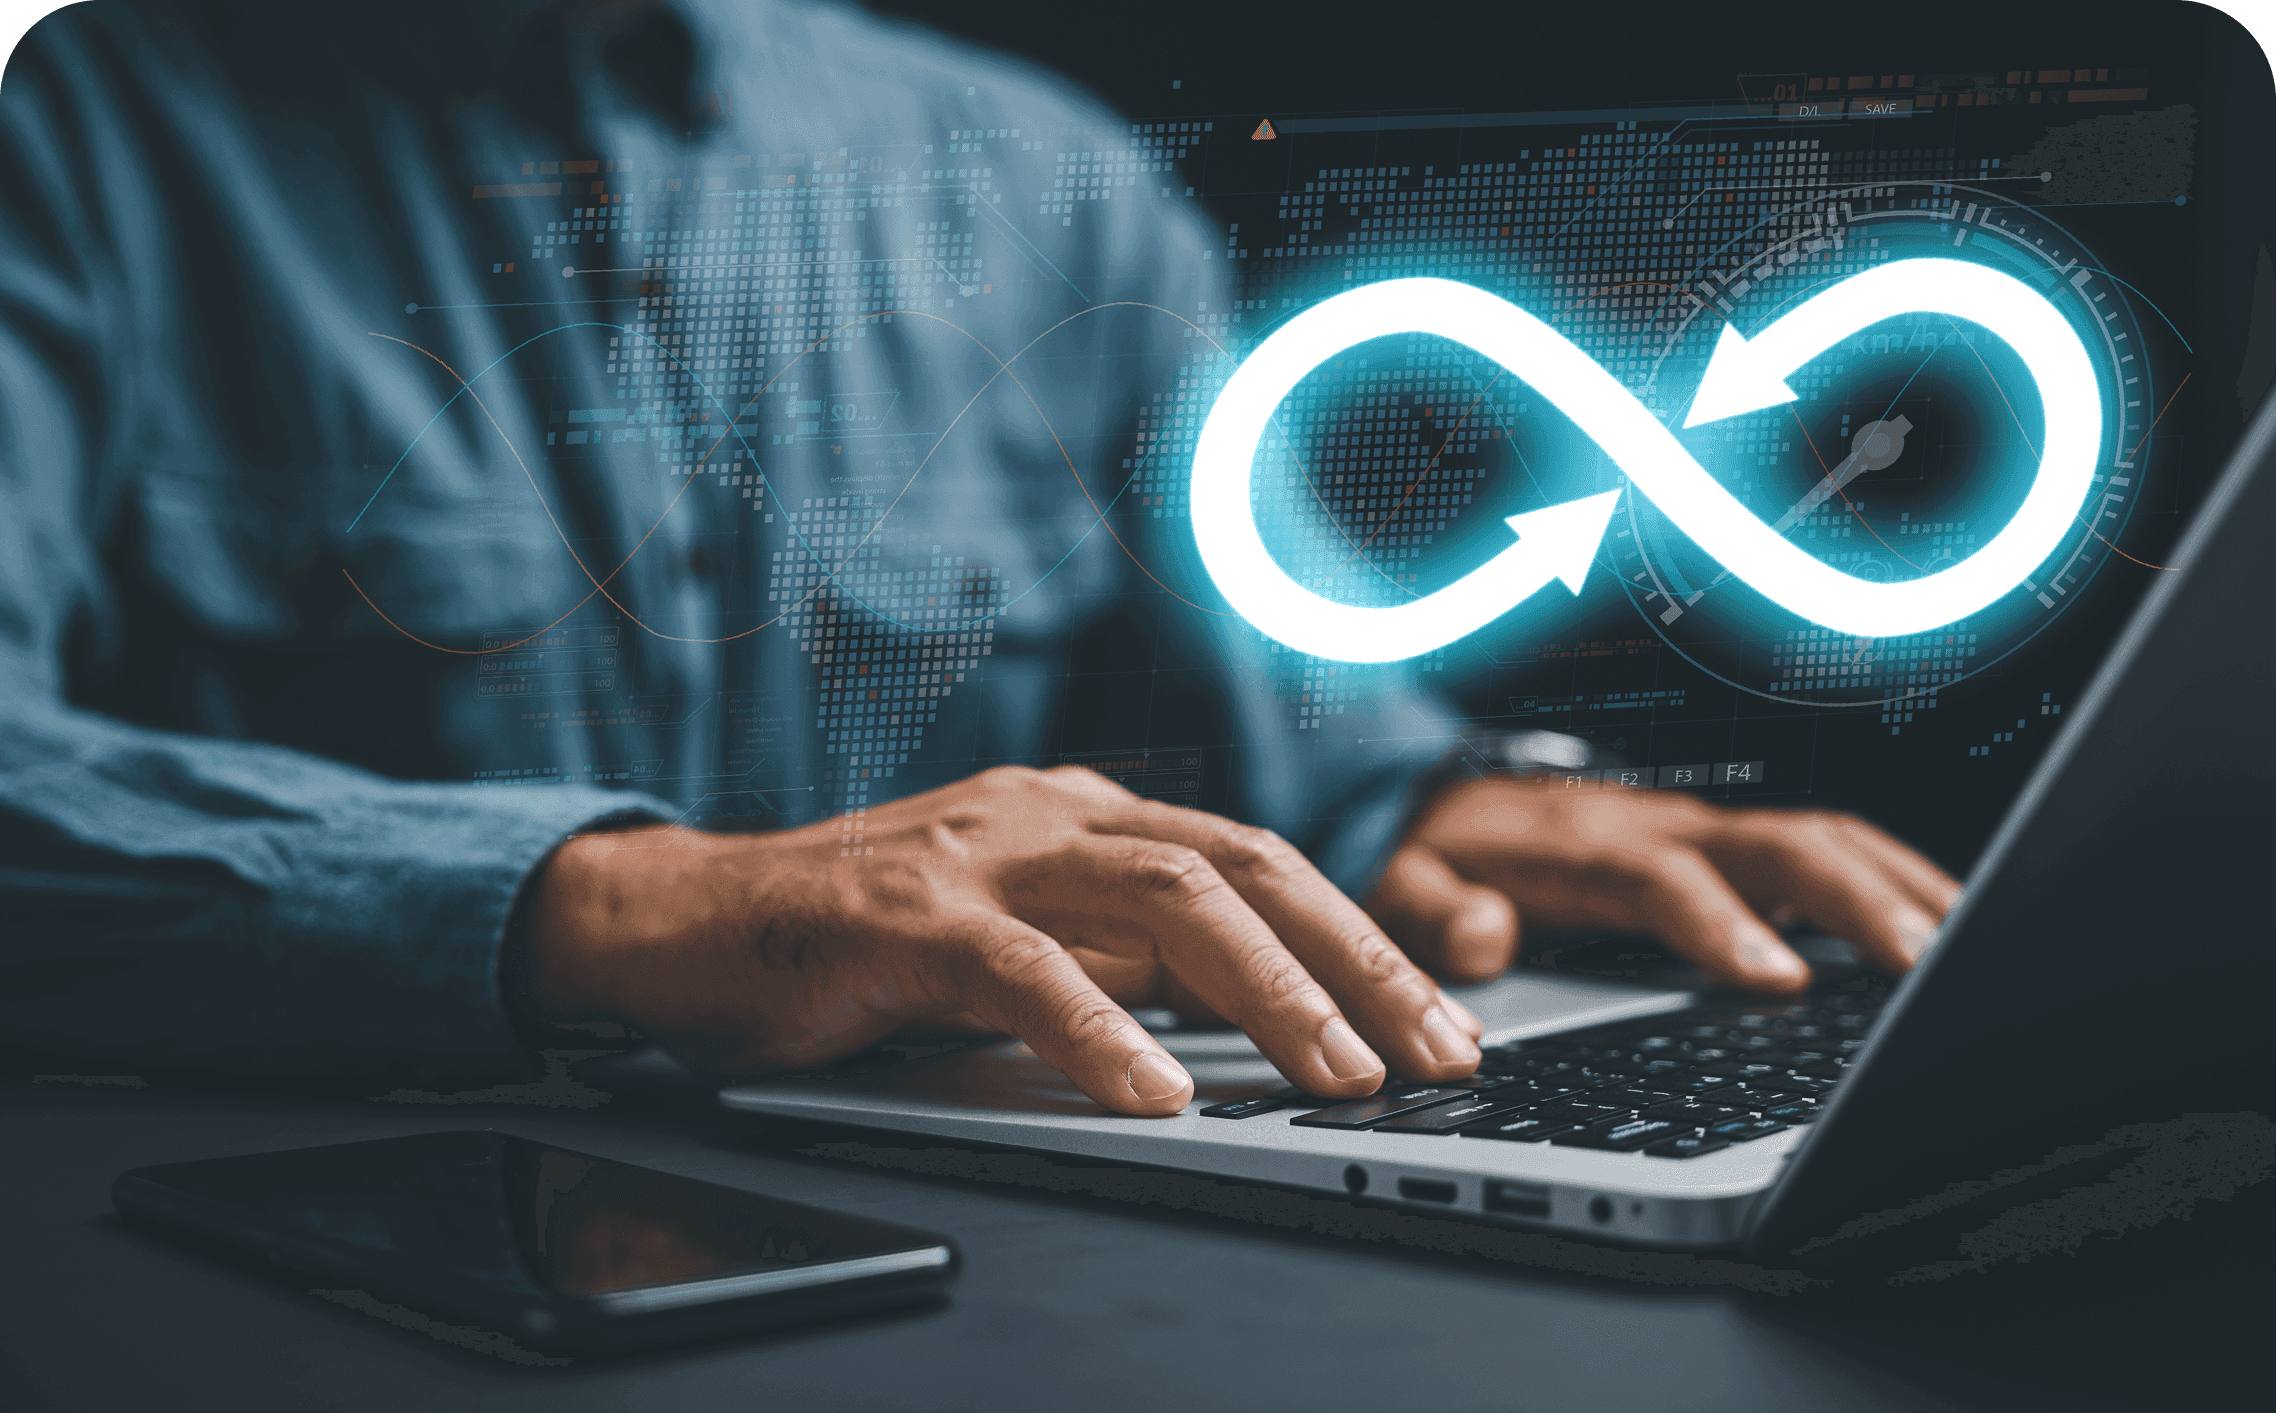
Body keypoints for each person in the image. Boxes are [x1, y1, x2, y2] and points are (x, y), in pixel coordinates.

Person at [0, 0, 1959, 1114]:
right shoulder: (65, 121)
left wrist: (1454, 807)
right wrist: (640, 911)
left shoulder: (1058, 194)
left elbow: (1309, 759)